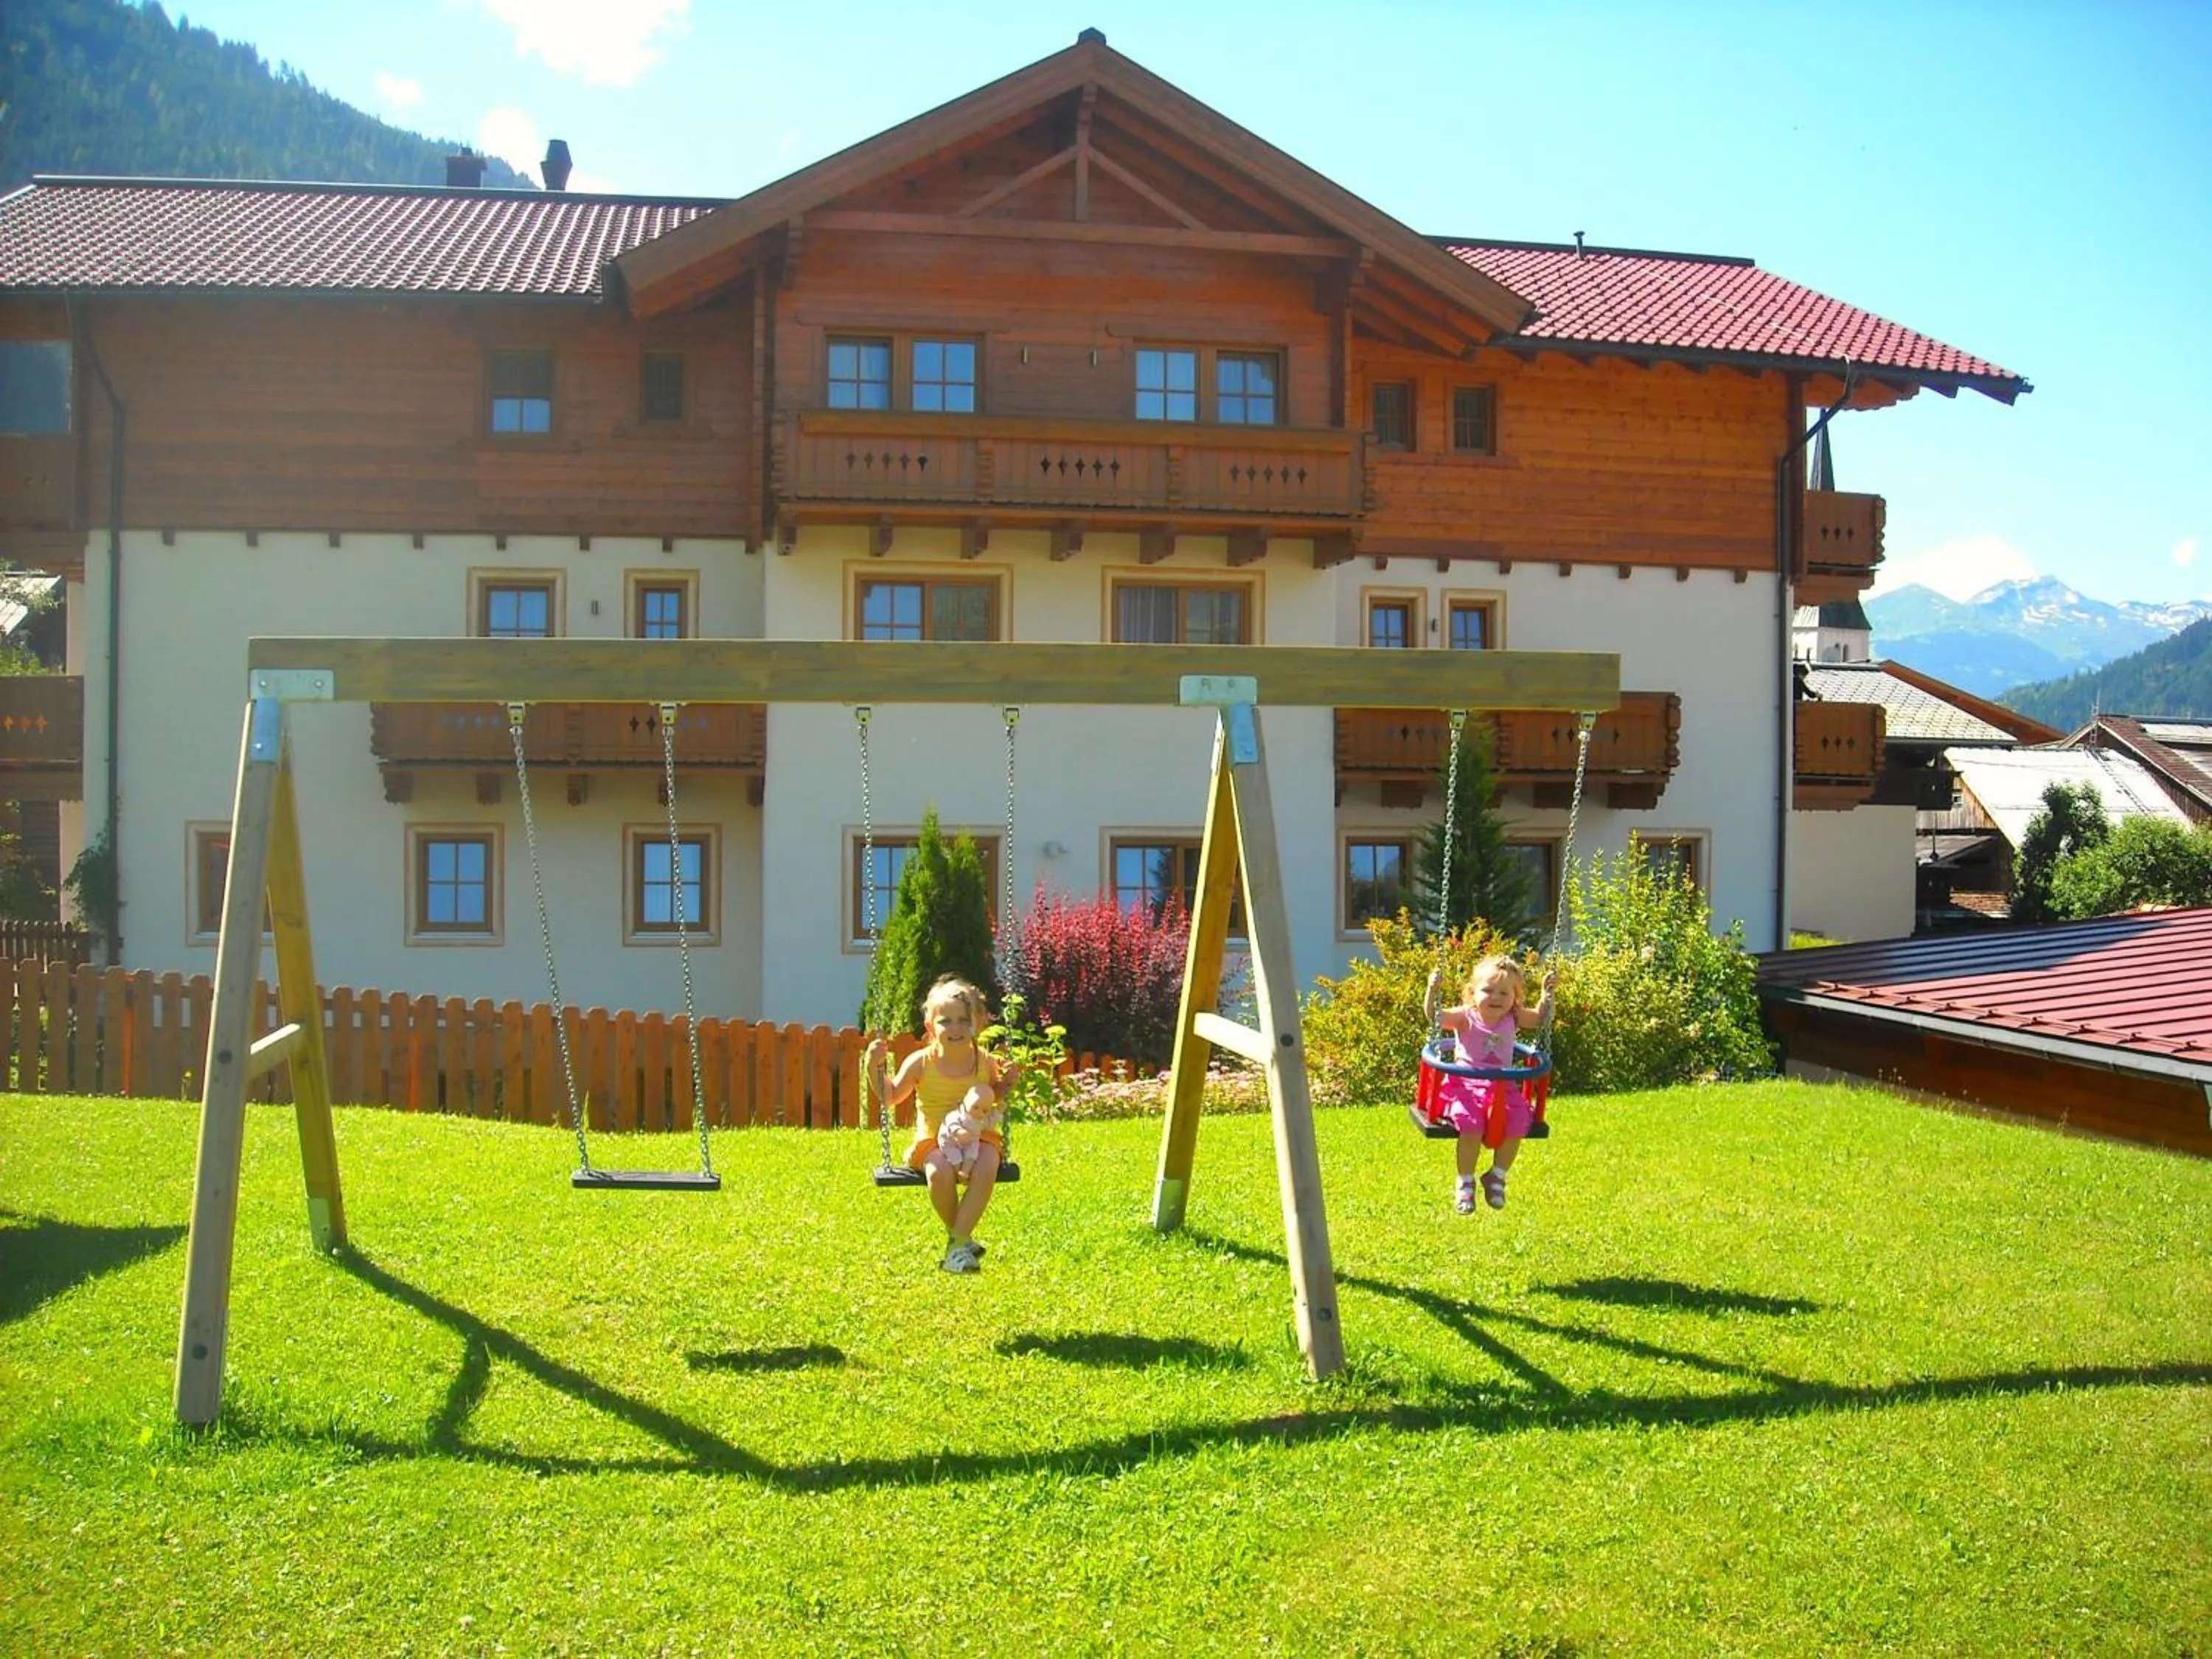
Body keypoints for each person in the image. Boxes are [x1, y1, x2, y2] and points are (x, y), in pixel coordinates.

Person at [866, 975, 1015, 1273]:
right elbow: (891, 1096)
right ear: (930, 1027)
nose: (956, 1028)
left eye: (964, 1019)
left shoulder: (985, 1063)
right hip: (933, 1142)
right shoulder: (921, 1061)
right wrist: (872, 1067)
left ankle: (957, 1244)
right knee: (939, 1172)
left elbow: (995, 1096)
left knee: (988, 1162)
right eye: (946, 1021)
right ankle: (960, 1241)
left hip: (978, 1137)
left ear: (979, 1023)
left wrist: (1007, 1083)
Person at [1425, 954, 1554, 1213]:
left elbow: (1541, 1019)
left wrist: (1546, 995)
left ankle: (1497, 1175)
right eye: (1488, 990)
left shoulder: (1513, 1017)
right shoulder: (1465, 1017)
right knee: (1471, 1126)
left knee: (1519, 1124)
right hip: (1466, 1086)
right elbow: (1436, 1017)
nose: (1496, 998)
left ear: (1514, 999)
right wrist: (1432, 990)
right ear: (1472, 993)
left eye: (1504, 993)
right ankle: (1465, 1182)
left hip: (1502, 1087)